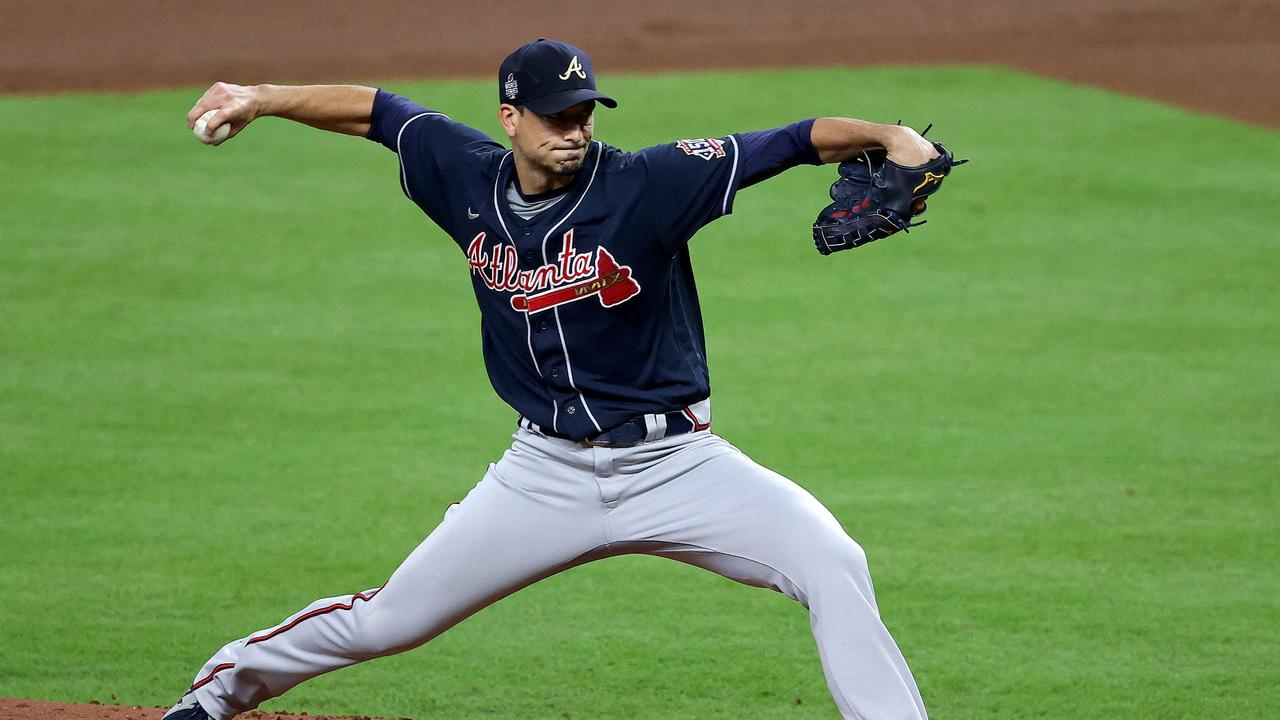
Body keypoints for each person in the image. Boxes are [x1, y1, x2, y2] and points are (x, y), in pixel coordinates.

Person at [166, 38, 937, 720]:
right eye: (555, 116)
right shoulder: (462, 175)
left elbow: (793, 141)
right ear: (511, 118)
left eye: (583, 113)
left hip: (677, 465)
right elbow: (379, 111)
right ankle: (213, 697)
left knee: (833, 562)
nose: (574, 130)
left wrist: (890, 136)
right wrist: (259, 99)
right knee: (388, 621)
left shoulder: (652, 182)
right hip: (544, 474)